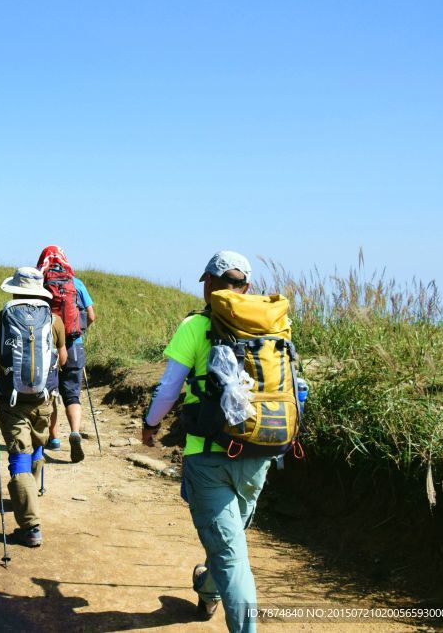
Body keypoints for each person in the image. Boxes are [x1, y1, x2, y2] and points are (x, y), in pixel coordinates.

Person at [142, 251, 267, 631]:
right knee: (229, 542)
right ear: (247, 287)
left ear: (209, 284)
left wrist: (150, 425)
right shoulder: (273, 323)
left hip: (208, 456)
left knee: (231, 556)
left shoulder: (195, 326)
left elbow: (169, 389)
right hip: (259, 452)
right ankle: (208, 588)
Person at [0, 267, 67, 547]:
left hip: (10, 398)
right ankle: (31, 492)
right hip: (44, 397)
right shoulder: (54, 320)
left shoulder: (1, 318)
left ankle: (30, 527)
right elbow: (62, 359)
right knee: (37, 443)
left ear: (15, 289)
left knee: (19, 455)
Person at [36, 246, 96, 463]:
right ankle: (75, 432)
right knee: (72, 394)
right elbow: (91, 315)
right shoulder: (76, 283)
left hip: (47, 347)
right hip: (74, 344)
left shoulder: (41, 283)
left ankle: (53, 438)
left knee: (51, 392)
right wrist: (80, 330)